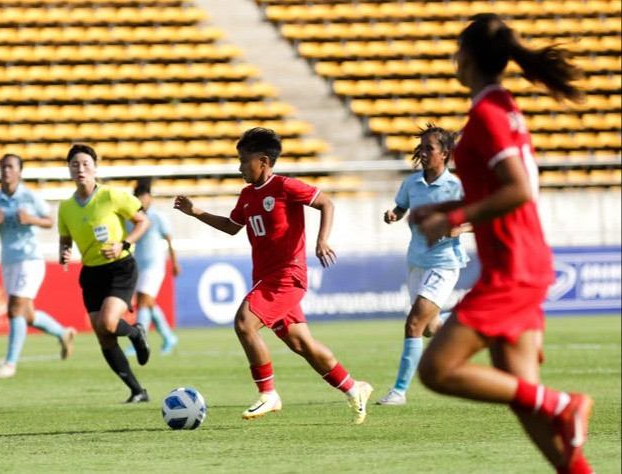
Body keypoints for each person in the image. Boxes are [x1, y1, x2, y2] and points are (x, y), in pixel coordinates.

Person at [411, 14, 593, 473]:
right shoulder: (500, 106)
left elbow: (518, 189)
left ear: (465, 58)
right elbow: (499, 187)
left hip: (513, 267)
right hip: (521, 261)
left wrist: (453, 216)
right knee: (522, 396)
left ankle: (564, 402)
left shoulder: (490, 114)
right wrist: (447, 207)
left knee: (437, 370)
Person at [174, 127, 373, 424]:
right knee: (301, 344)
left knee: (244, 323)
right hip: (265, 277)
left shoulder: (285, 187)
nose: (240, 166)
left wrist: (321, 240)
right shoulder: (246, 195)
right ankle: (353, 387)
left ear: (263, 161)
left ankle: (269, 394)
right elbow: (232, 226)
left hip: (287, 275)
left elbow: (326, 203)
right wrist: (196, 212)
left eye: (244, 160)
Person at [377, 125, 470, 406]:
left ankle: (399, 391)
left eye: (429, 148)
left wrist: (461, 229)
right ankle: (463, 334)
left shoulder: (457, 186)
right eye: (422, 147)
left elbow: (486, 216)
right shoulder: (412, 183)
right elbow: (402, 207)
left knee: (414, 323)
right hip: (416, 261)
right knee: (430, 328)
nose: (423, 152)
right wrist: (394, 214)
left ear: (445, 154)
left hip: (444, 263)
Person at [58, 144, 152, 403]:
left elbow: (143, 221)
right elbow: (65, 240)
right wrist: (64, 253)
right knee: (104, 336)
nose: (81, 169)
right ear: (69, 169)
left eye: (86, 164)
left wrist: (125, 243)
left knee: (108, 323)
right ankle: (137, 391)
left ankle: (136, 333)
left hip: (120, 268)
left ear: (95, 167)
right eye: (75, 164)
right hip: (91, 273)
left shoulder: (111, 196)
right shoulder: (65, 207)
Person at [0, 153, 76, 379]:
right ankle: (63, 333)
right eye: (3, 166)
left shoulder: (30, 196)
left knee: (15, 308)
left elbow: (50, 220)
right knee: (27, 315)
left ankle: (10, 364)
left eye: (10, 166)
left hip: (30, 259)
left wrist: (32, 220)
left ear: (19, 171)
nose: (6, 170)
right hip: (9, 260)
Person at [124, 179, 180, 357]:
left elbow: (169, 239)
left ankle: (139, 341)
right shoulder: (132, 218)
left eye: (144, 196)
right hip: (138, 265)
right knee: (147, 303)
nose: (141, 200)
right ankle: (168, 336)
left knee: (143, 301)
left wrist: (175, 262)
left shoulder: (157, 217)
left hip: (155, 265)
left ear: (149, 197)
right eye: (138, 196)